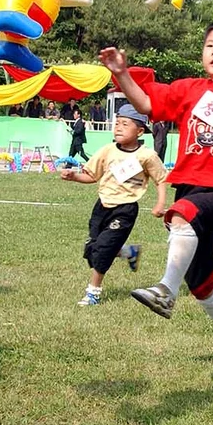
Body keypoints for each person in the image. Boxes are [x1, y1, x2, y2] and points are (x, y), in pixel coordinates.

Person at [100, 19, 213, 373]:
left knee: (183, 213)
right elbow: (147, 105)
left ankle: (165, 291)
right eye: (210, 44)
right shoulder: (189, 89)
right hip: (190, 191)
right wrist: (122, 75)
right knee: (200, 283)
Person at [60, 105, 167, 306]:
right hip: (101, 207)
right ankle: (129, 252)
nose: (118, 128)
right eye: (117, 123)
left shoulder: (146, 156)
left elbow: (161, 179)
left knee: (102, 250)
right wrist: (74, 176)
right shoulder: (107, 150)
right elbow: (91, 176)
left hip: (125, 209)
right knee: (92, 250)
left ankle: (93, 293)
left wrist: (160, 203)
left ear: (140, 131)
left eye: (125, 124)